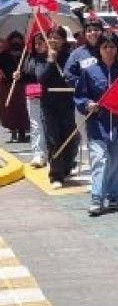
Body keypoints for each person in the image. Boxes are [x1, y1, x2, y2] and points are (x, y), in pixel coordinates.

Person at [74, 31, 118, 216]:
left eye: (112, 46)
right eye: (105, 46)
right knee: (99, 160)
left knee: (116, 162)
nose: (109, 50)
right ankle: (97, 198)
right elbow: (80, 96)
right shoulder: (89, 71)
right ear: (98, 49)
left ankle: (114, 196)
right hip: (97, 124)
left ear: (117, 49)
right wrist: (87, 104)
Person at [37, 26, 78, 189]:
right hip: (49, 104)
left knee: (71, 138)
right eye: (51, 37)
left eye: (57, 38)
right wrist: (50, 61)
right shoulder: (41, 58)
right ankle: (56, 174)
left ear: (63, 40)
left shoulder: (71, 57)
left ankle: (67, 167)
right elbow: (41, 78)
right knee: (54, 140)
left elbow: (74, 77)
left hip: (68, 103)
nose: (53, 40)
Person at [18, 33, 48, 166]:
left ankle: (51, 152)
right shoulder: (30, 57)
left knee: (49, 124)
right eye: (36, 43)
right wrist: (19, 75)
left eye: (40, 42)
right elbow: (27, 75)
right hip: (33, 95)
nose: (37, 46)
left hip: (49, 96)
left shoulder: (51, 58)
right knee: (36, 125)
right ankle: (38, 153)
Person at [0, 31, 31, 142]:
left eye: (18, 39)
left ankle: (22, 132)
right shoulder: (4, 55)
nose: (16, 41)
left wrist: (21, 74)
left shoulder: (26, 54)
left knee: (22, 110)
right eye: (13, 39)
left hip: (22, 85)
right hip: (8, 85)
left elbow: (29, 69)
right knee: (10, 110)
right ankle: (13, 131)